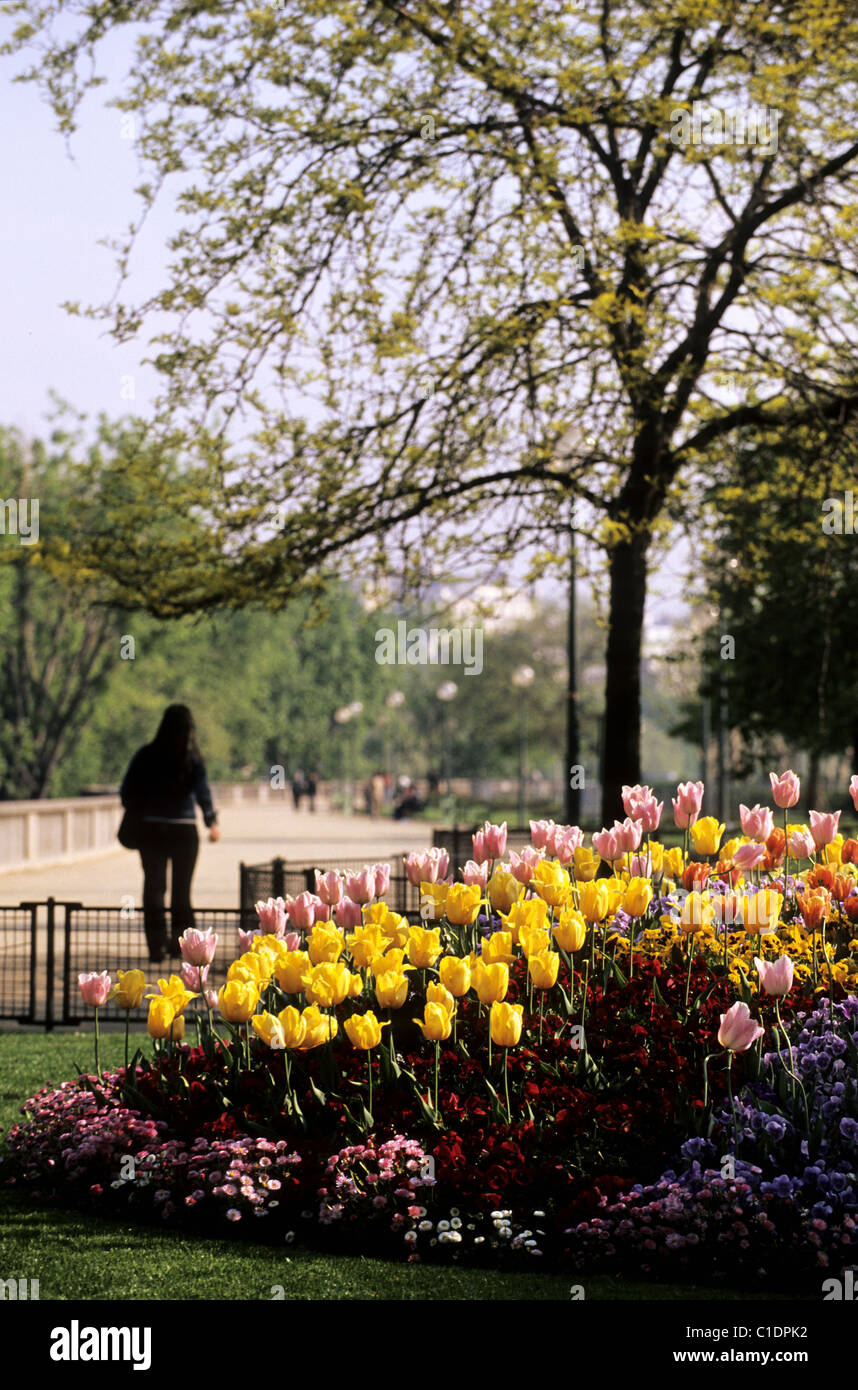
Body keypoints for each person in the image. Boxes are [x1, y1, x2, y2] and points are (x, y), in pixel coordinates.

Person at [120, 704, 219, 962]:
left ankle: (156, 947)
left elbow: (127, 791)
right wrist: (211, 821)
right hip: (184, 830)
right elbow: (203, 793)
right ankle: (181, 946)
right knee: (182, 892)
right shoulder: (191, 760)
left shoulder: (146, 755)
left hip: (152, 829)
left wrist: (144, 807)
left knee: (153, 889)